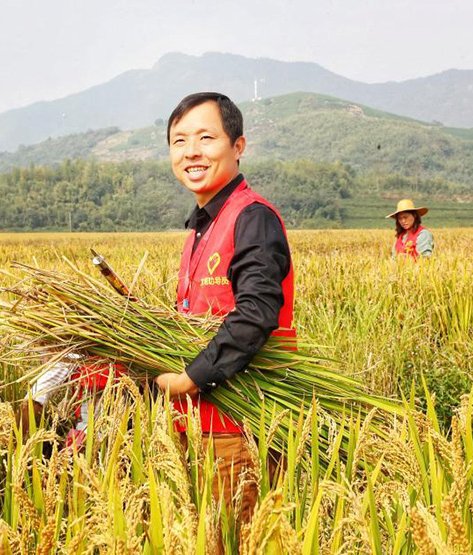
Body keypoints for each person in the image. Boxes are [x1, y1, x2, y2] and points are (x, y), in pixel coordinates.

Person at [153, 92, 295, 530]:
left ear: (238, 146)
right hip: (200, 425)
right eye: (179, 141)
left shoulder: (252, 217)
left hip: (241, 427)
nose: (191, 151)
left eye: (206, 137)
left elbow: (256, 313)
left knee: (234, 539)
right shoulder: (201, 224)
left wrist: (188, 380)